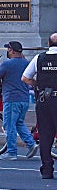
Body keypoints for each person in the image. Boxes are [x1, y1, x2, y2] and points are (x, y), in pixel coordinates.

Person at [0, 41, 38, 160]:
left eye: (8, 49)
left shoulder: (7, 63)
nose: (7, 52)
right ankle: (31, 144)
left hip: (11, 98)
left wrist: (0, 84)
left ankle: (11, 152)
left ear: (12, 51)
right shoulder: (27, 63)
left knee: (9, 125)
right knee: (19, 123)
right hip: (24, 98)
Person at [22, 33, 57, 179]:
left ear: (48, 44)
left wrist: (39, 86)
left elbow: (25, 78)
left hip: (44, 100)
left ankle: (47, 169)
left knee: (45, 135)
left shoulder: (39, 58)